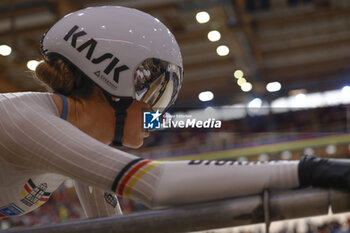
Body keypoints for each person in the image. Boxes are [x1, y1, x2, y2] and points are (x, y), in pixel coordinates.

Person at [0, 6, 349, 220]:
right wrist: (311, 168)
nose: (159, 111)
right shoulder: (21, 120)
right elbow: (157, 184)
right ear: (112, 78)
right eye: (154, 90)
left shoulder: (70, 134)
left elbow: (108, 223)